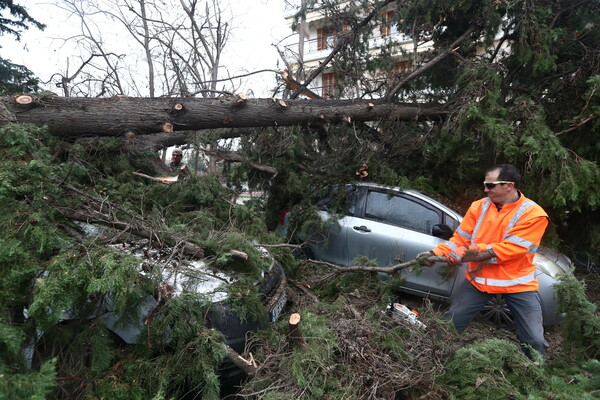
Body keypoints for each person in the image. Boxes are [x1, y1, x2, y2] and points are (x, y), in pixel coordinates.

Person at [418, 164, 550, 359]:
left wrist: (467, 252)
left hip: (518, 284)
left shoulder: (534, 215)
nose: (485, 189)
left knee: (535, 340)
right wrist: (434, 253)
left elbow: (509, 249)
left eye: (490, 185)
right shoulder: (478, 206)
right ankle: (429, 359)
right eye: (485, 185)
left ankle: (533, 373)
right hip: (478, 281)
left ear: (509, 186)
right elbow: (460, 240)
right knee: (448, 326)